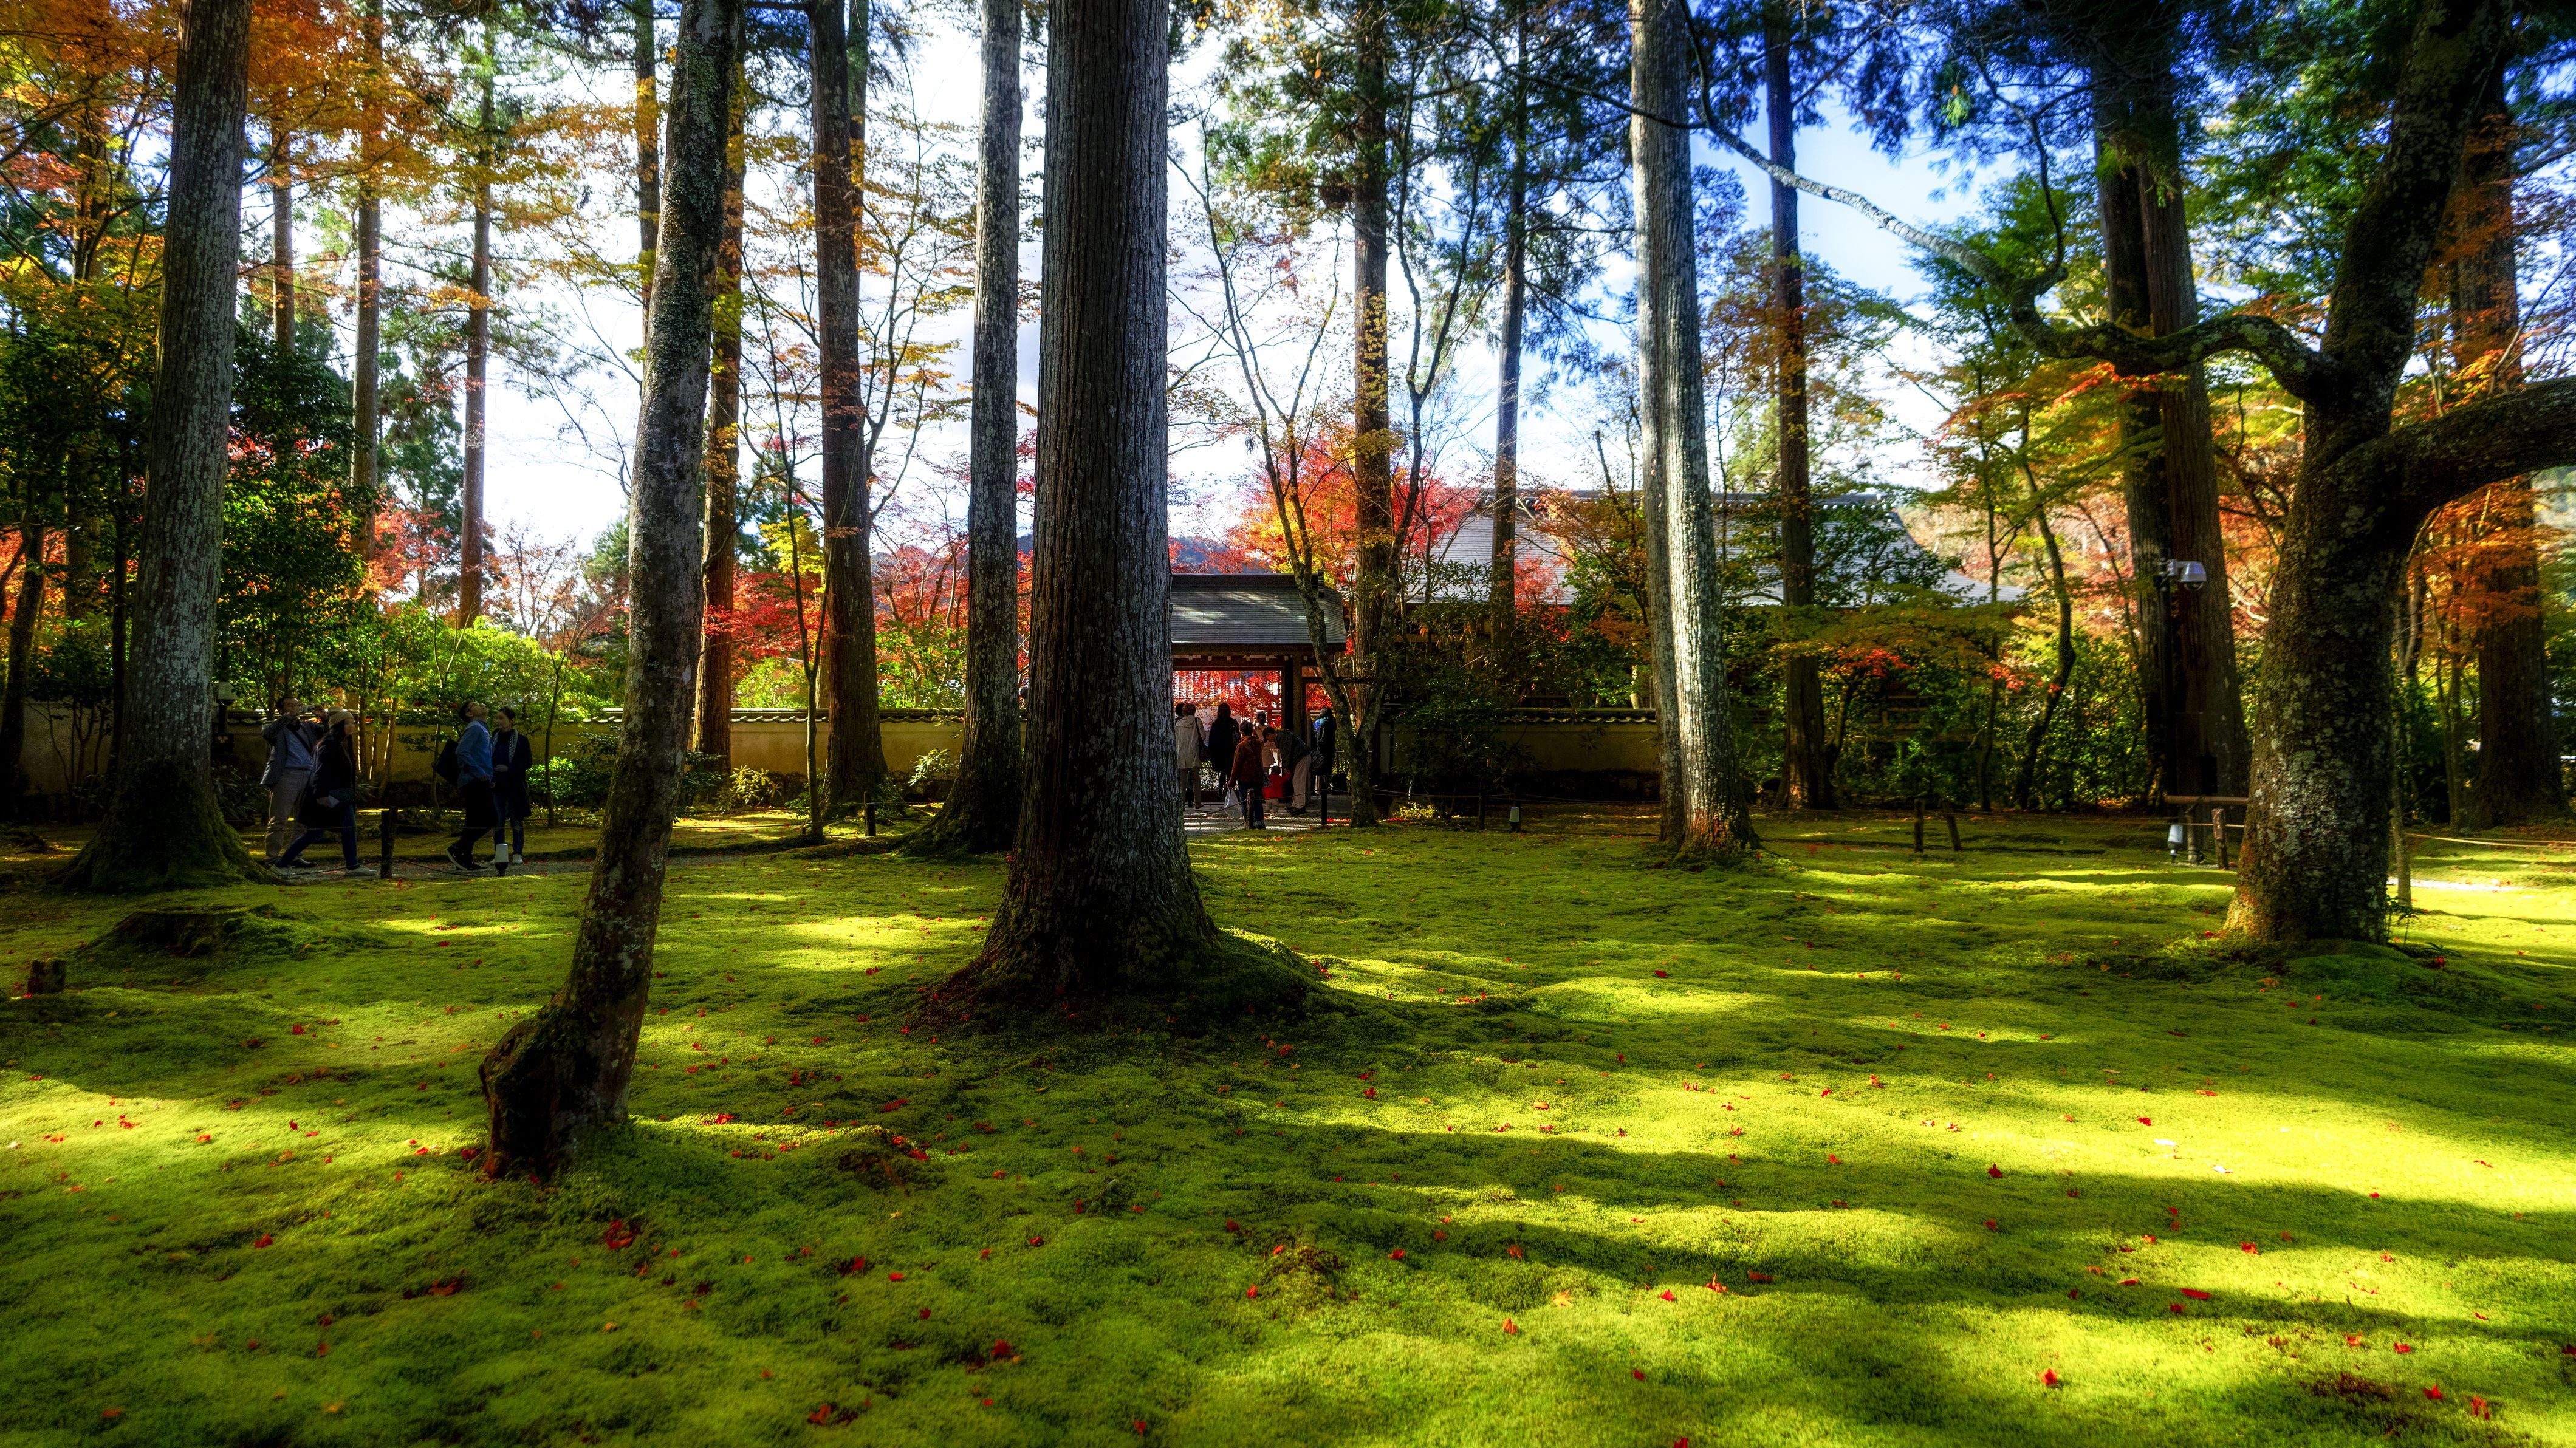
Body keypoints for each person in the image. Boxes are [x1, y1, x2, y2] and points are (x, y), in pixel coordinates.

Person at [277, 709, 363, 872]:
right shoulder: (328, 745)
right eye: (347, 723)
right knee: (315, 833)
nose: (352, 726)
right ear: (338, 725)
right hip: (328, 797)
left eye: (353, 723)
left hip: (342, 797)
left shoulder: (343, 743)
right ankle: (282, 864)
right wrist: (322, 795)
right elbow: (320, 772)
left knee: (349, 830)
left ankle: (353, 866)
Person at [258, 694, 320, 863]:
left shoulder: (308, 727)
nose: (295, 709)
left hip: (308, 775)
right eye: (290, 705)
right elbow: (268, 734)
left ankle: (294, 855)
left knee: (303, 821)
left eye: (297, 705)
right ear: (280, 709)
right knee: (279, 819)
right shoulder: (274, 726)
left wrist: (324, 716)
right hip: (286, 775)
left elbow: (331, 733)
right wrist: (285, 718)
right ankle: (272, 857)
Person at [446, 702, 497, 872]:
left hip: (479, 779)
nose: (482, 704)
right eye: (476, 705)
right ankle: (458, 848)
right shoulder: (475, 728)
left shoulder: (481, 728)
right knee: (490, 819)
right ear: (469, 714)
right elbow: (462, 751)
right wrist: (479, 772)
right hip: (474, 780)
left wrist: (489, 776)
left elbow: (482, 755)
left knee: (474, 821)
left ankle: (464, 860)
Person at [491, 706, 535, 865]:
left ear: (511, 721)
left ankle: (517, 852)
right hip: (497, 786)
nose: (498, 721)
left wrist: (509, 769)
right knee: (498, 821)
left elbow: (528, 762)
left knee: (516, 820)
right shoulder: (493, 739)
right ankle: (499, 853)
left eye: (501, 718)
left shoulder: (521, 740)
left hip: (514, 786)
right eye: (497, 718)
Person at [1230, 725, 1269, 830]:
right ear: (1252, 731)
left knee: (1245, 801)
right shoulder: (1259, 743)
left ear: (1241, 732)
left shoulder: (1242, 746)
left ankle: (1249, 823)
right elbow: (1259, 739)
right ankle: (1260, 822)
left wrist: (1232, 782)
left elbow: (1237, 765)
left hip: (1245, 778)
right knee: (1257, 801)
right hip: (1258, 777)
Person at [1206, 702, 1239, 816]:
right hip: (1231, 751)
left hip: (1219, 752)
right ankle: (1230, 791)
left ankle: (1220, 790)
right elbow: (1237, 736)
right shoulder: (1233, 723)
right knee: (1229, 771)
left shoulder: (1216, 724)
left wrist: (1212, 752)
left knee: (1223, 772)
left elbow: (1212, 739)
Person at [1173, 700, 1203, 810]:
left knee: (1182, 781)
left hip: (1181, 753)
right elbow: (1203, 736)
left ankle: (1181, 804)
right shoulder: (1197, 721)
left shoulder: (1178, 724)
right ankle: (1198, 802)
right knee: (1196, 779)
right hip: (1194, 752)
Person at [1281, 717, 1314, 814]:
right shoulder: (1287, 736)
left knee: (1298, 781)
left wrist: (1286, 766)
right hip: (1301, 757)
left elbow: (1287, 753)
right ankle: (1296, 804)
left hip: (1301, 758)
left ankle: (1299, 805)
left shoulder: (1284, 738)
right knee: (1297, 781)